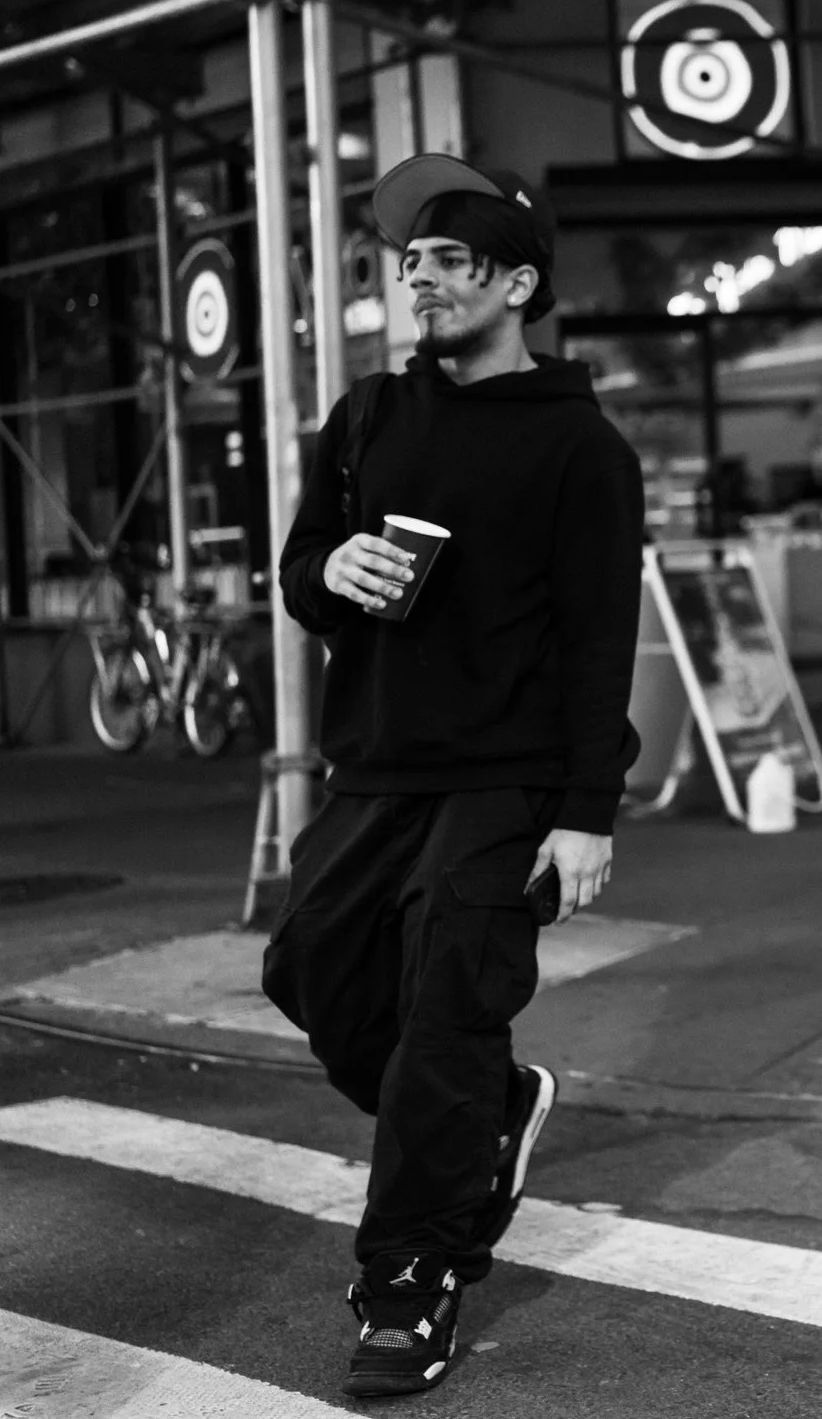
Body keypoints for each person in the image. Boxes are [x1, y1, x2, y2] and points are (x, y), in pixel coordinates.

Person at [263, 154, 644, 1399]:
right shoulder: (368, 415)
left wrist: (587, 811)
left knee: (442, 1013)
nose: (417, 282)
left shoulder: (582, 446)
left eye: (447, 263)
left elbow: (600, 639)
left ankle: (409, 1282)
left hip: (507, 778)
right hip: (375, 766)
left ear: (517, 283)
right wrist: (333, 572)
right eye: (409, 264)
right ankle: (492, 1107)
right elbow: (301, 564)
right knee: (311, 969)